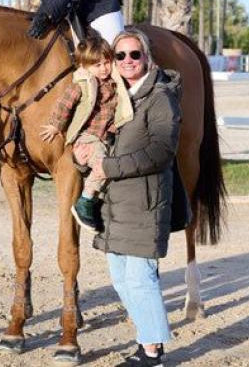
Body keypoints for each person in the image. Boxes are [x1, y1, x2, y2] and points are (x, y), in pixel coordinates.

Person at [74, 30, 180, 366]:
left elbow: (161, 152)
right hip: (115, 206)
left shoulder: (160, 97)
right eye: (120, 56)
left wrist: (109, 165)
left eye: (135, 54)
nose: (128, 61)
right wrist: (83, 157)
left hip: (145, 203)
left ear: (147, 57)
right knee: (122, 281)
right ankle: (146, 342)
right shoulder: (114, 99)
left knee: (141, 280)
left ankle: (152, 354)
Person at [39, 36, 132, 232]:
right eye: (97, 65)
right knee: (103, 165)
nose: (104, 68)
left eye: (107, 63)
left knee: (113, 166)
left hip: (104, 136)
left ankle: (96, 201)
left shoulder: (113, 83)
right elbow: (65, 104)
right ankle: (85, 200)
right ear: (84, 66)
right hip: (88, 136)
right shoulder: (82, 85)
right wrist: (56, 125)